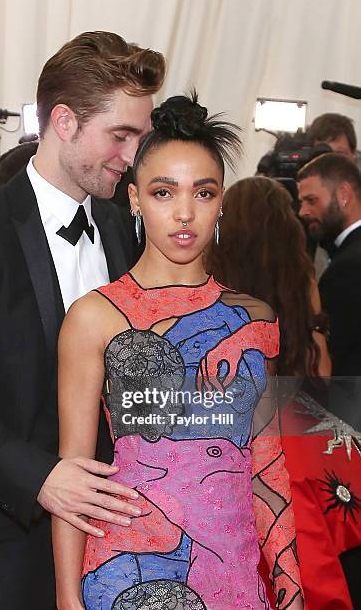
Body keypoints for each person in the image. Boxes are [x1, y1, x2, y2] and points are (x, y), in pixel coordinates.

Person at [0, 31, 165, 610]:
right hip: (6, 536)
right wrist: (41, 477)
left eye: (139, 138)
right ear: (66, 122)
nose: (131, 157)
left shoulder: (126, 227)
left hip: (116, 537)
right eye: (120, 135)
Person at [53, 94, 303, 609]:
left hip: (234, 573)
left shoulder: (252, 320)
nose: (185, 213)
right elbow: (73, 474)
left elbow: (267, 466)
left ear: (221, 203)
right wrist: (66, 598)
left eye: (203, 192)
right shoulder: (94, 317)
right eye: (164, 192)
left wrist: (291, 588)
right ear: (135, 199)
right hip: (129, 571)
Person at [207, 176, 361, 608]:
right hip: (306, 460)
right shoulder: (303, 288)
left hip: (234, 465)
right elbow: (326, 383)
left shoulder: (211, 295)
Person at [297, 153, 361, 381]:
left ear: (343, 195)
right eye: (301, 202)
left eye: (311, 200)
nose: (302, 211)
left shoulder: (347, 269)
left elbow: (337, 363)